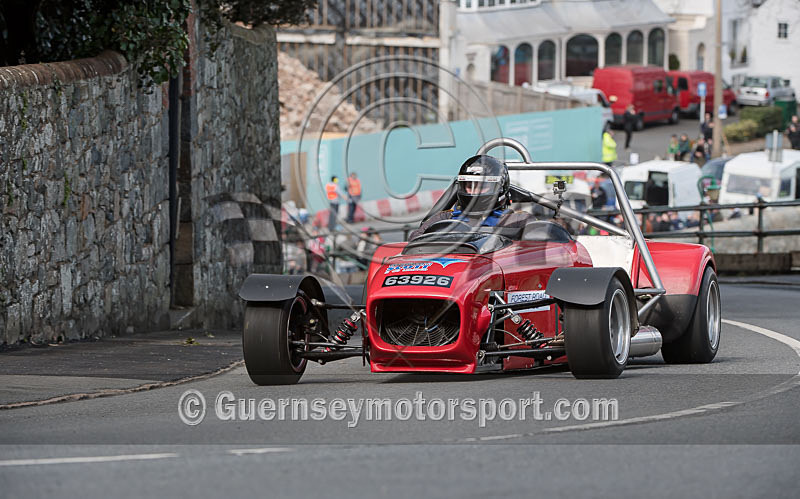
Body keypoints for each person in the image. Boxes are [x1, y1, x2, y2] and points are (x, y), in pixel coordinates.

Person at [409, 155, 533, 240]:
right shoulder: (444, 217)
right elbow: (415, 241)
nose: (474, 192)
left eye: (482, 186)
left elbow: (545, 242)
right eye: (469, 185)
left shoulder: (517, 221)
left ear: (499, 188)